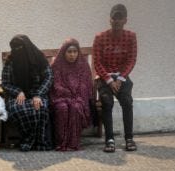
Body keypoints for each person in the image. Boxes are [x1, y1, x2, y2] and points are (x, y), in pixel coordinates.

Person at [93, 4, 137, 152]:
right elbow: (97, 62)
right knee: (106, 101)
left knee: (127, 101)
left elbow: (131, 60)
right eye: (114, 18)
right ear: (109, 20)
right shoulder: (100, 37)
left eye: (120, 18)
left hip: (121, 77)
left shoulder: (131, 37)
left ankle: (129, 138)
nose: (116, 21)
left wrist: (120, 78)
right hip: (105, 77)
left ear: (125, 20)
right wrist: (109, 80)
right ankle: (109, 139)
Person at [1, 35, 54, 151]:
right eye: (16, 48)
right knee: (20, 109)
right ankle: (28, 139)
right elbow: (5, 83)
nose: (18, 51)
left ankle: (39, 141)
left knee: (40, 108)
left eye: (21, 47)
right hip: (18, 95)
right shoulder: (10, 62)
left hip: (37, 93)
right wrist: (17, 91)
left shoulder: (39, 58)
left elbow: (48, 77)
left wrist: (39, 94)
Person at [50, 38, 92, 151]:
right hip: (60, 98)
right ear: (64, 53)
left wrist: (76, 96)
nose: (72, 55)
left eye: (75, 52)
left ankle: (73, 142)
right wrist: (67, 94)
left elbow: (85, 85)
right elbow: (55, 85)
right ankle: (61, 142)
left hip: (78, 97)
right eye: (69, 52)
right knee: (62, 108)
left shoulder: (83, 66)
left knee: (76, 107)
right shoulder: (57, 65)